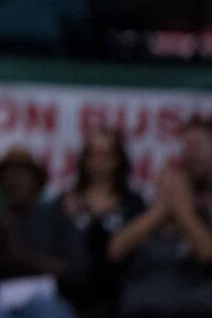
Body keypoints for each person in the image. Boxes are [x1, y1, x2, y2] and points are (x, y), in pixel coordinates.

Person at [110, 116, 212, 318]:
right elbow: (115, 251)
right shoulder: (154, 201)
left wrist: (181, 210)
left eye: (198, 145)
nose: (191, 153)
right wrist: (163, 207)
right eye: (187, 146)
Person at [0, 146, 87, 318]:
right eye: (9, 173)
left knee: (48, 306)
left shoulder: (58, 221)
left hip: (43, 304)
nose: (15, 179)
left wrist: (23, 257)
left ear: (37, 181)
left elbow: (78, 276)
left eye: (23, 172)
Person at [57, 128, 145, 318]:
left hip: (121, 296)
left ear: (119, 159)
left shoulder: (133, 204)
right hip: (71, 298)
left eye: (105, 154)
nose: (98, 160)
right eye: (92, 154)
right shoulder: (65, 202)